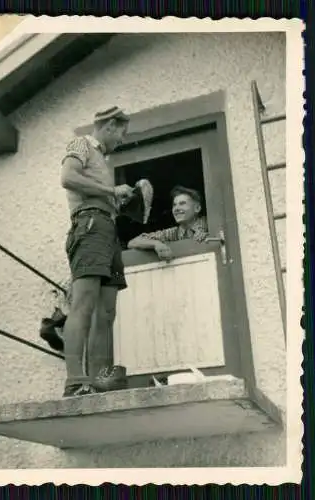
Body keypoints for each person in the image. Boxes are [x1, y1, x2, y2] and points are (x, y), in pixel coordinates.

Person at [60, 106, 134, 397]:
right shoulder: (81, 144)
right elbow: (67, 177)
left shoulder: (103, 160)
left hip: (107, 228)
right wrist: (110, 191)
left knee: (106, 311)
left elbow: (102, 194)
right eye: (122, 133)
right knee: (84, 304)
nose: (122, 140)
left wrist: (121, 198)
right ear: (110, 126)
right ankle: (76, 381)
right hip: (88, 224)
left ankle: (100, 382)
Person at [128, 185, 208, 259]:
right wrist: (156, 244)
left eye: (182, 204)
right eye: (174, 205)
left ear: (197, 208)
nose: (176, 209)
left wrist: (206, 233)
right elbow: (132, 243)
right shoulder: (174, 233)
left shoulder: (210, 223)